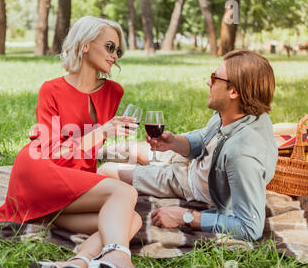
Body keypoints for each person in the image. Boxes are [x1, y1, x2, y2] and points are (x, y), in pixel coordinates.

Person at [0, 16, 156, 268]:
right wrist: (103, 132)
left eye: (118, 51)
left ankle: (75, 264)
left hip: (73, 180)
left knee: (130, 218)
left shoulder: (114, 92)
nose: (114, 56)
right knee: (125, 193)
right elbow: (54, 151)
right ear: (86, 45)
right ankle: (119, 258)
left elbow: (87, 152)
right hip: (39, 168)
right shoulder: (51, 90)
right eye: (110, 47)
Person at [98, 50, 278, 242]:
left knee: (106, 171)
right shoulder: (239, 111)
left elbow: (250, 228)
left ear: (233, 92)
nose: (209, 82)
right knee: (128, 149)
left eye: (214, 78)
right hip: (192, 162)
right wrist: (174, 142)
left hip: (186, 182)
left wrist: (186, 216)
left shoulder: (241, 155)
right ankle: (80, 150)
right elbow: (205, 138)